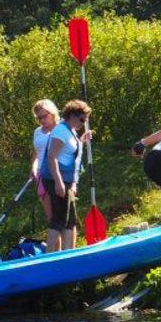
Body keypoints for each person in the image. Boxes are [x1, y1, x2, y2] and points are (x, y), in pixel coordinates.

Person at [40, 100, 91, 252]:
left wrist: (82, 141)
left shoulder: (71, 131)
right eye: (82, 119)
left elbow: (68, 153)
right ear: (72, 116)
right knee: (59, 218)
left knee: (70, 220)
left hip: (66, 180)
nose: (83, 122)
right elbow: (52, 157)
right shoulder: (61, 131)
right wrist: (58, 182)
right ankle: (49, 256)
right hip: (57, 179)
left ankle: (69, 253)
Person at [30, 99, 60, 222]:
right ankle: (55, 240)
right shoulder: (37, 132)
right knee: (51, 217)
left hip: (58, 173)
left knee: (63, 214)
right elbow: (37, 153)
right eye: (38, 118)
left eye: (44, 116)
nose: (42, 120)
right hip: (41, 175)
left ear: (52, 113)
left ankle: (68, 241)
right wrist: (33, 168)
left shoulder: (62, 128)